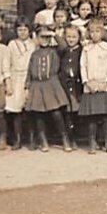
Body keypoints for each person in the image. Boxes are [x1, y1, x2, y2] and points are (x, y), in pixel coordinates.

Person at [24, 24, 71, 152]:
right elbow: (28, 71)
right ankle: (42, 140)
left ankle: (64, 138)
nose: (44, 40)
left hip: (51, 84)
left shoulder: (55, 50)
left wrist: (53, 34)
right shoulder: (34, 53)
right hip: (37, 85)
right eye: (41, 37)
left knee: (56, 113)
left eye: (46, 37)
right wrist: (26, 87)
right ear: (37, 38)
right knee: (38, 114)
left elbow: (64, 46)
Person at [79, 18, 107, 154]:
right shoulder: (86, 49)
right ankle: (92, 142)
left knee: (106, 116)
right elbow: (83, 66)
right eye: (91, 32)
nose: (94, 34)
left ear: (102, 32)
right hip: (91, 85)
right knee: (92, 117)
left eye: (97, 31)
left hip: (105, 86)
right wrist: (87, 82)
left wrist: (106, 82)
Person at [5, 17, 36, 150]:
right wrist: (8, 82)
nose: (22, 33)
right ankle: (17, 139)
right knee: (15, 111)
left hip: (29, 78)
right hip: (15, 77)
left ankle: (32, 139)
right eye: (19, 30)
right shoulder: (12, 44)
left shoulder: (34, 44)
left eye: (25, 30)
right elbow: (6, 64)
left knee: (29, 110)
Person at [58, 25, 83, 149]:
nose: (71, 39)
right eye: (68, 36)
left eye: (74, 37)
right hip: (64, 85)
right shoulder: (62, 51)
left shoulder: (82, 50)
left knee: (75, 113)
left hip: (76, 85)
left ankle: (75, 138)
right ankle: (68, 137)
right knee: (66, 113)